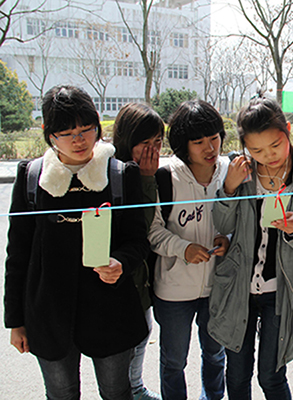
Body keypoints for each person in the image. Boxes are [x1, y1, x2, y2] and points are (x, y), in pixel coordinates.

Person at [4, 85, 149, 399]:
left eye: (87, 129)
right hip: (48, 314)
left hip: (110, 313)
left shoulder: (121, 175)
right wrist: (15, 321)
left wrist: (120, 262)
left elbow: (138, 240)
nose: (79, 140)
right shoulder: (32, 178)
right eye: (67, 133)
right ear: (49, 134)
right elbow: (18, 254)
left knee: (116, 392)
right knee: (61, 394)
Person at [208, 96, 293, 399]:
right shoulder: (241, 171)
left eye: (275, 145)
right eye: (257, 150)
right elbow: (222, 225)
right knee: (236, 376)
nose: (268, 156)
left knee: (271, 376)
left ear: (287, 130)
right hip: (239, 289)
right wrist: (229, 188)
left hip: (283, 291)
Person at [147, 100, 228, 400]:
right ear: (184, 145)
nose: (210, 147)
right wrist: (183, 248)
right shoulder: (166, 178)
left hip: (217, 287)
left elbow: (239, 217)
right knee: (173, 362)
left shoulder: (228, 172)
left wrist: (227, 238)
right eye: (199, 142)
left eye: (214, 137)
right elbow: (153, 232)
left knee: (215, 355)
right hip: (173, 292)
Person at [113, 102, 164, 400]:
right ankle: (129, 389)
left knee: (143, 334)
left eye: (158, 142)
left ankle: (136, 386)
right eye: (145, 143)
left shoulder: (155, 173)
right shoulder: (114, 173)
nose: (152, 151)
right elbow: (139, 231)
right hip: (120, 279)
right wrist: (145, 180)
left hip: (143, 281)